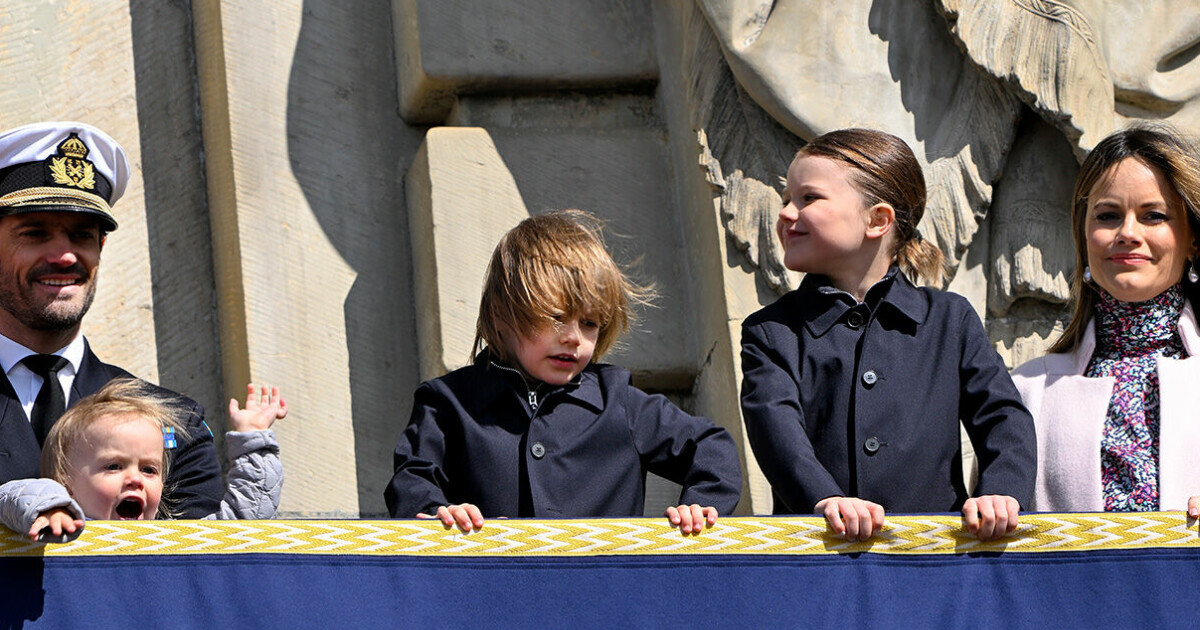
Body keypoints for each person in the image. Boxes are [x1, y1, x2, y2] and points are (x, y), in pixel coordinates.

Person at [739, 128, 1037, 541]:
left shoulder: (949, 320)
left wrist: (1003, 492)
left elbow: (1003, 417)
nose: (787, 213)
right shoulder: (770, 333)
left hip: (938, 560)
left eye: (808, 198)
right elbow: (777, 436)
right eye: (787, 199)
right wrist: (824, 499)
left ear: (877, 220)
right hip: (819, 559)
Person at [385, 210, 741, 534]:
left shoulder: (618, 401)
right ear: (500, 315)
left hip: (602, 593)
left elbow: (711, 445)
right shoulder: (449, 402)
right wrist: (439, 516)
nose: (573, 338)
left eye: (589, 322)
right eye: (555, 317)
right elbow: (412, 481)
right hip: (490, 592)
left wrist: (700, 504)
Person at [0, 121, 223, 517]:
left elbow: (194, 568)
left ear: (101, 247)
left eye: (82, 236)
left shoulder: (175, 423)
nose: (65, 256)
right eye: (35, 234)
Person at [1011, 126, 1200, 517]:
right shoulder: (1027, 392)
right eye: (1109, 215)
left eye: (1154, 216)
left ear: (1193, 239)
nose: (1128, 233)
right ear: (1083, 233)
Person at [0, 379, 286, 542]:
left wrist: (253, 439)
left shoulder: (174, 541)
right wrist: (51, 508)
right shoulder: (60, 530)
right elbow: (11, 496)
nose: (135, 479)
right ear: (66, 483)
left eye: (149, 469)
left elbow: (244, 520)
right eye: (114, 466)